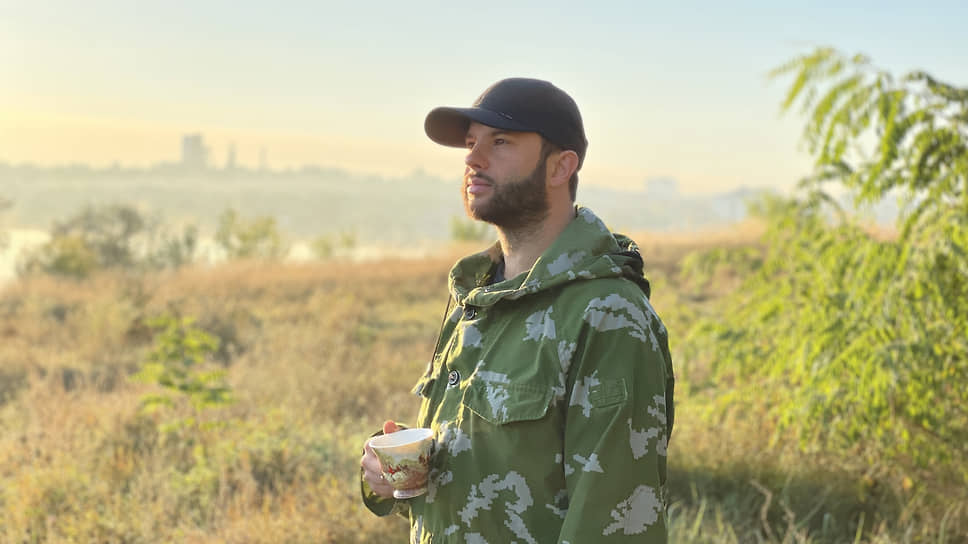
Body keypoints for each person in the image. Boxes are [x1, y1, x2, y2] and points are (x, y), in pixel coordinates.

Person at [360, 78, 675, 543]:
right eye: (471, 143)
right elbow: (494, 477)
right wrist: (398, 473)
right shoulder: (477, 297)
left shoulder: (607, 315)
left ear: (560, 166)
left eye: (500, 142)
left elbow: (614, 523)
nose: (472, 158)